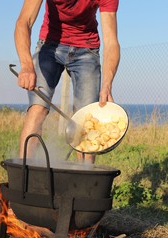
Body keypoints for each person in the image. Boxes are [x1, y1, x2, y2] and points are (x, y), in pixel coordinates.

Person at [14, 0, 120, 162]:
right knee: (37, 109)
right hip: (49, 45)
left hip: (86, 48)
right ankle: (22, 176)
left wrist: (107, 84)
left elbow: (111, 42)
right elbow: (24, 21)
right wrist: (27, 65)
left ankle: (85, 183)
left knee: (86, 119)